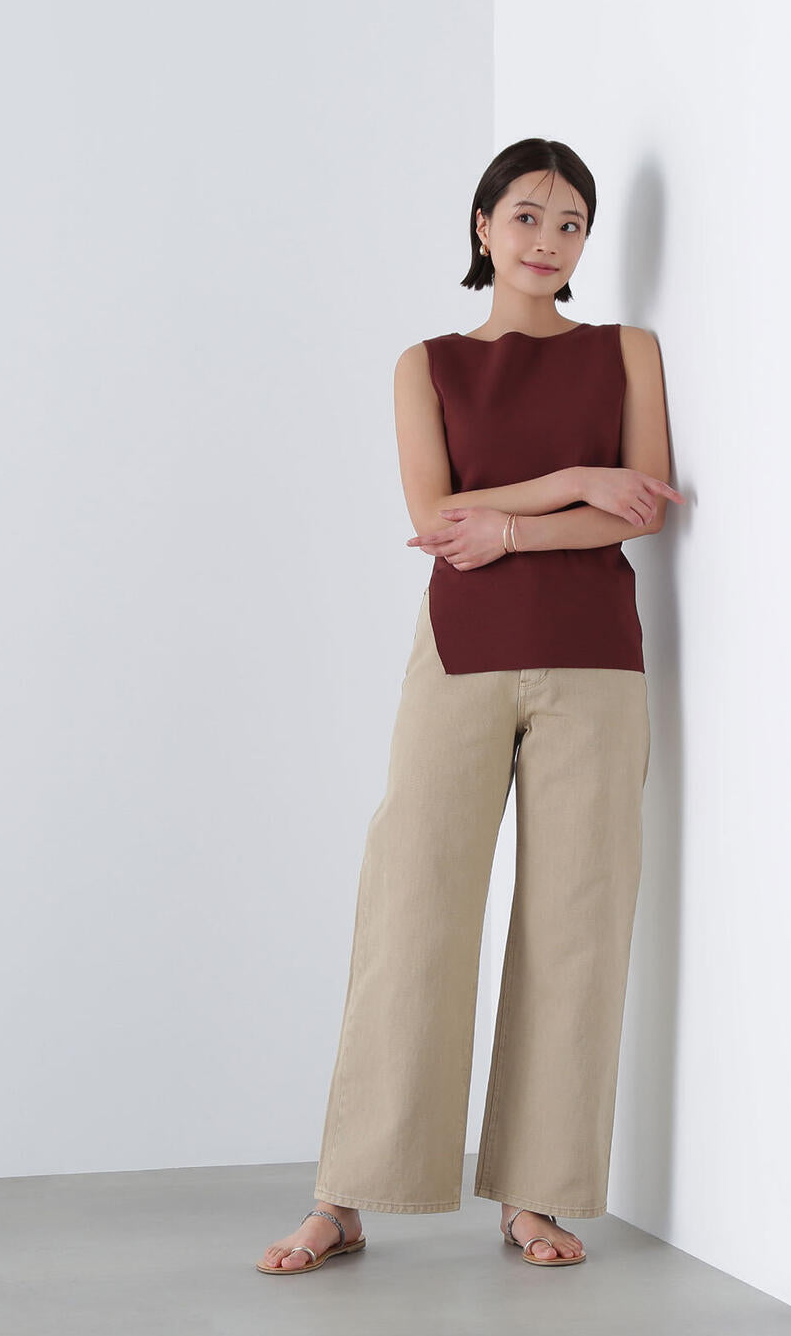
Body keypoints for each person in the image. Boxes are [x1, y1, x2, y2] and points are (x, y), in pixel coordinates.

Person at [256, 138, 684, 1275]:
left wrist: (511, 528)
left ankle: (536, 1195)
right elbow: (432, 513)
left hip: (595, 660)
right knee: (412, 907)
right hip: (460, 654)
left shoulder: (626, 352)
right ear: (482, 227)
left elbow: (639, 506)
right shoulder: (427, 364)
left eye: (571, 222)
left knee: (576, 923)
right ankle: (347, 1194)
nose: (549, 240)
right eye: (527, 216)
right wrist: (568, 483)